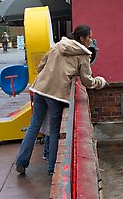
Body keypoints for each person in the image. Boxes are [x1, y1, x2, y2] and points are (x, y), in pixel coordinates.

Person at [15, 24, 107, 176]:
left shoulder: (59, 45)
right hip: (56, 95)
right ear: (82, 38)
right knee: (54, 131)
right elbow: (87, 81)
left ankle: (21, 162)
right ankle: (52, 169)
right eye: (89, 37)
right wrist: (100, 82)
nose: (91, 40)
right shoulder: (83, 55)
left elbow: (41, 66)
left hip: (39, 89)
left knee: (34, 126)